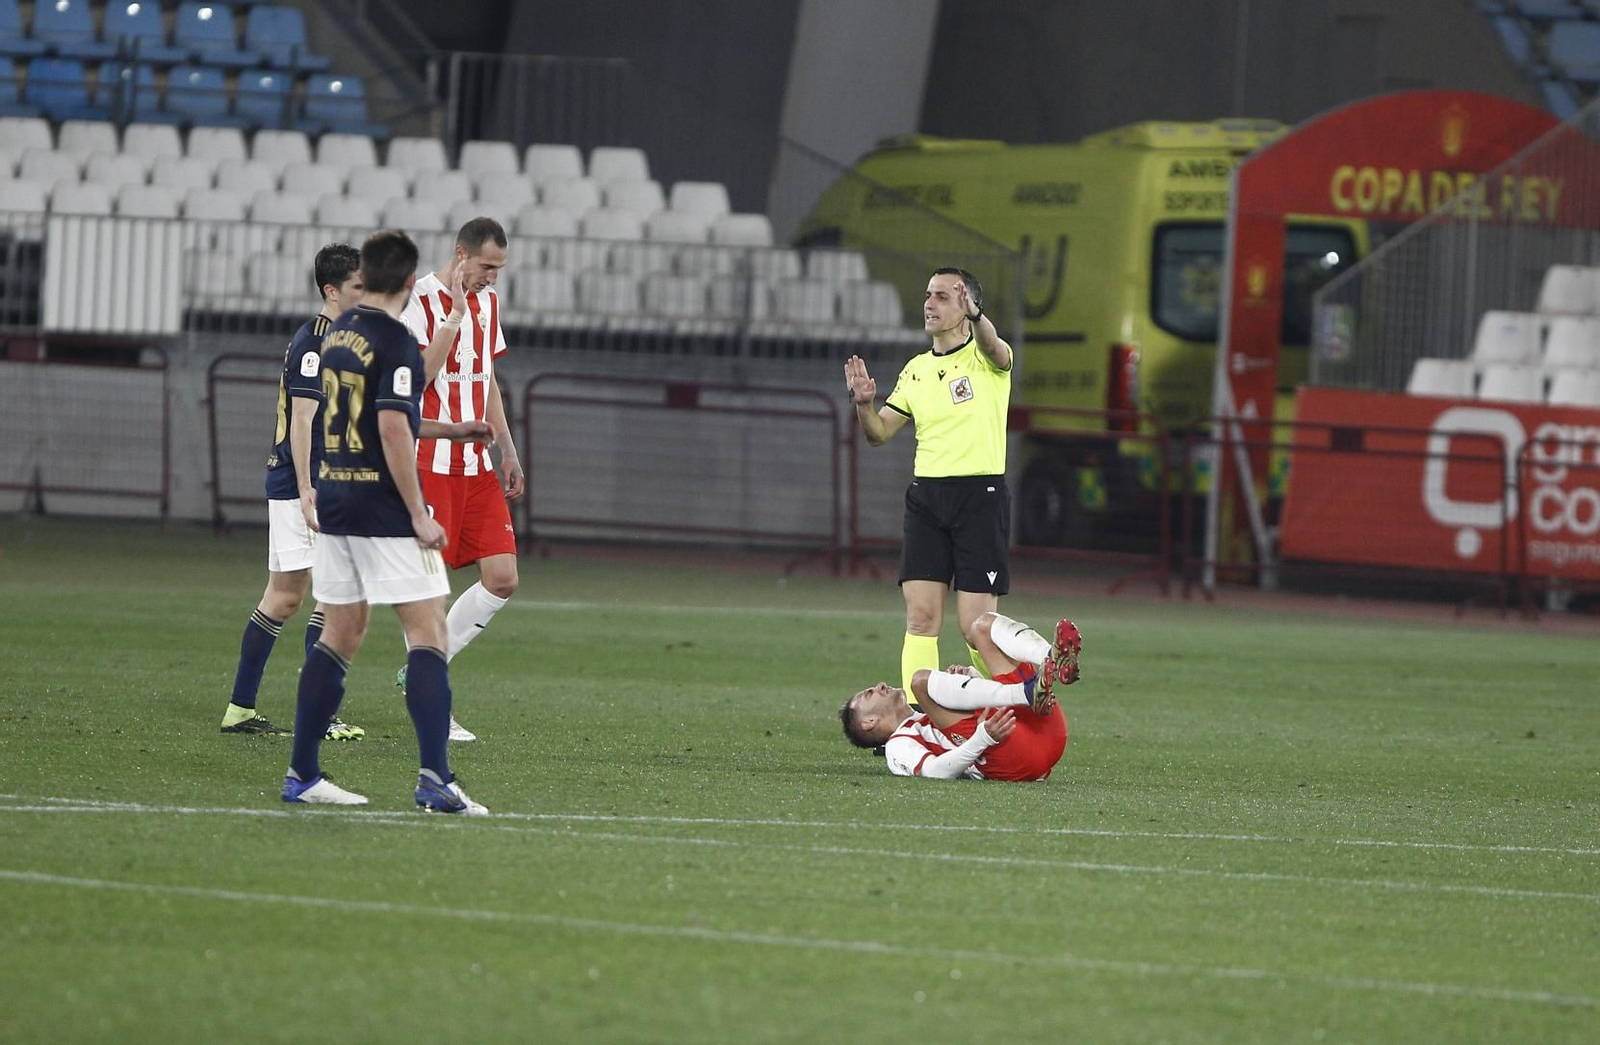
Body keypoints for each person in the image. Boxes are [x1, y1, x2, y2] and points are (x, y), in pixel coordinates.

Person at [280, 229, 491, 812]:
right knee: (430, 634)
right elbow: (395, 428)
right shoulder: (394, 338)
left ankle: (302, 773)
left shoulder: (339, 336)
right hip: (383, 510)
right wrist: (419, 513)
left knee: (339, 634)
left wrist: (452, 429)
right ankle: (436, 780)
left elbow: (383, 411)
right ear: (406, 281)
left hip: (337, 500)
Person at [843, 268, 1013, 707]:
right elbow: (879, 433)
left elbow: (994, 346)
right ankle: (921, 720)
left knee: (977, 626)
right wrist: (863, 405)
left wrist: (980, 317)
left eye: (942, 296)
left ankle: (1005, 706)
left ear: (966, 307)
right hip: (927, 500)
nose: (929, 303)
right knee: (921, 618)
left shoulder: (986, 356)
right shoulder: (915, 370)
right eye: (928, 295)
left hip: (979, 498)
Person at [221, 243, 366, 740]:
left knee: (330, 595)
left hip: (336, 483)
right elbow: (302, 421)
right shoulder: (313, 344)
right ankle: (243, 708)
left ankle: (313, 714)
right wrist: (306, 488)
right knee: (287, 597)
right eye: (357, 286)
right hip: (300, 482)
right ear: (332, 290)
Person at [395, 216, 523, 742]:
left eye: (499, 269)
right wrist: (451, 315)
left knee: (503, 578)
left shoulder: (489, 303)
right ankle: (433, 701)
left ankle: (421, 673)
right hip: (431, 462)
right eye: (487, 266)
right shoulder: (420, 303)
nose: (493, 278)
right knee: (430, 592)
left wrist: (507, 451)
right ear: (460, 254)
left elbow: (486, 380)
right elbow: (420, 377)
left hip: (477, 467)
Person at [838, 613, 1081, 780]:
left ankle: (1050, 657)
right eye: (870, 693)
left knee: (982, 626)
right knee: (920, 682)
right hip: (1017, 760)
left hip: (1042, 728)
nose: (880, 685)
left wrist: (972, 678)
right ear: (868, 723)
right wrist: (981, 738)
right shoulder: (896, 747)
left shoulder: (929, 712)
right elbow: (935, 772)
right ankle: (1026, 692)